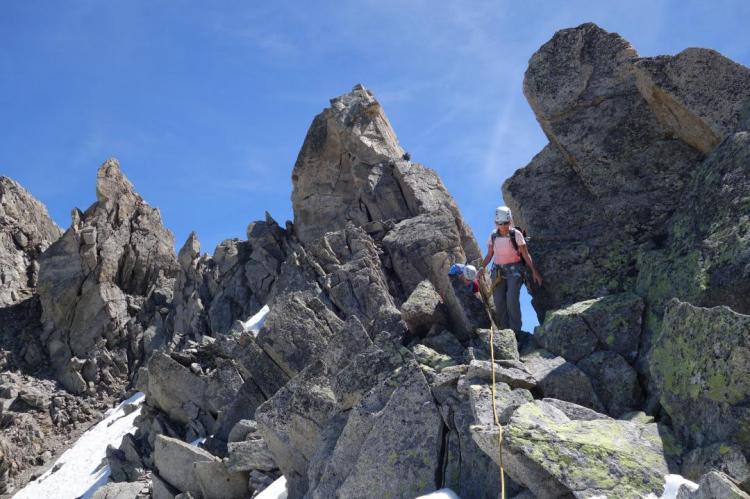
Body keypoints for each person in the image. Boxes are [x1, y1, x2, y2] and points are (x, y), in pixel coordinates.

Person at [479, 206, 542, 332]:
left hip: (515, 271)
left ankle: (515, 332)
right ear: (496, 223)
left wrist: (534, 271)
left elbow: (525, 254)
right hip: (498, 271)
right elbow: (490, 254)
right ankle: (505, 332)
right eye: (500, 223)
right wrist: (482, 267)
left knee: (512, 299)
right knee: (499, 301)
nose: (503, 226)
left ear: (510, 221)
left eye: (506, 223)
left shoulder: (516, 234)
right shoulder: (493, 236)